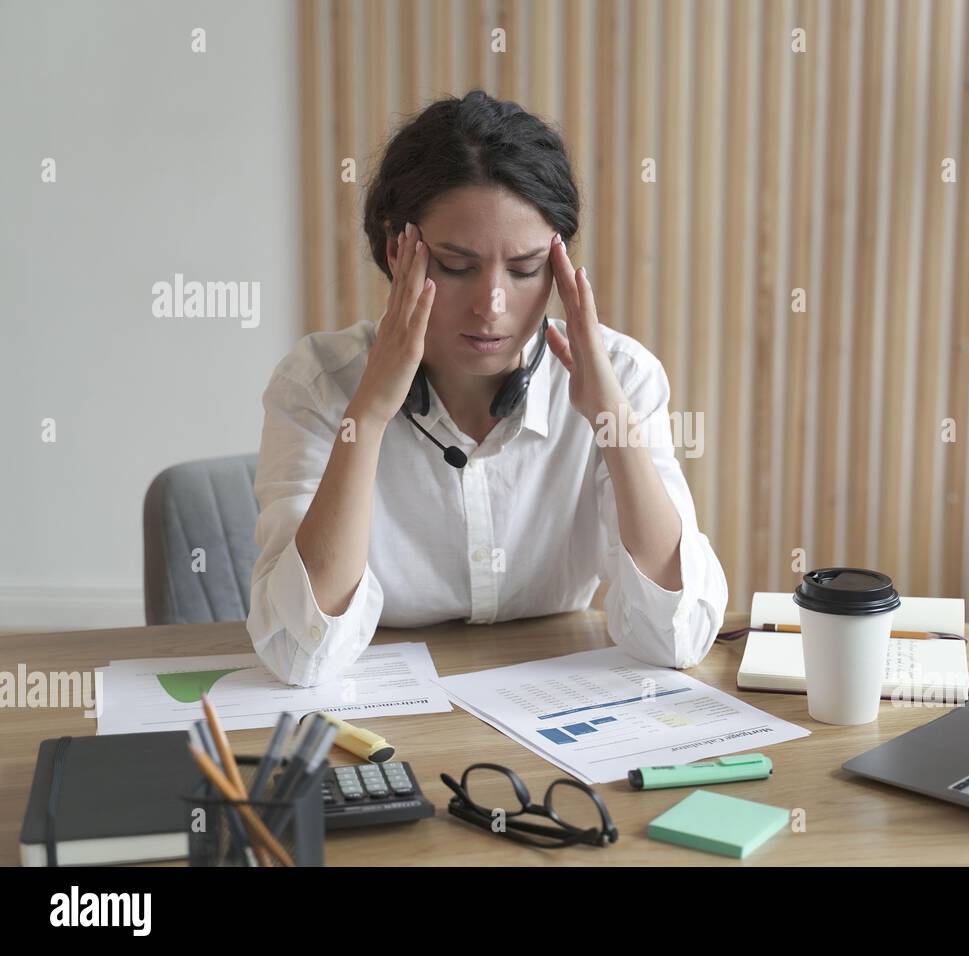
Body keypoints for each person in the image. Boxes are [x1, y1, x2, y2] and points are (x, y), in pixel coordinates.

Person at [245, 90, 728, 687]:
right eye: (455, 265)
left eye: (525, 269)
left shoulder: (622, 376)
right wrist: (367, 417)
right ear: (400, 253)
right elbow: (299, 655)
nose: (492, 306)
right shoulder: (317, 384)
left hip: (547, 703)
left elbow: (676, 639)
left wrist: (612, 420)